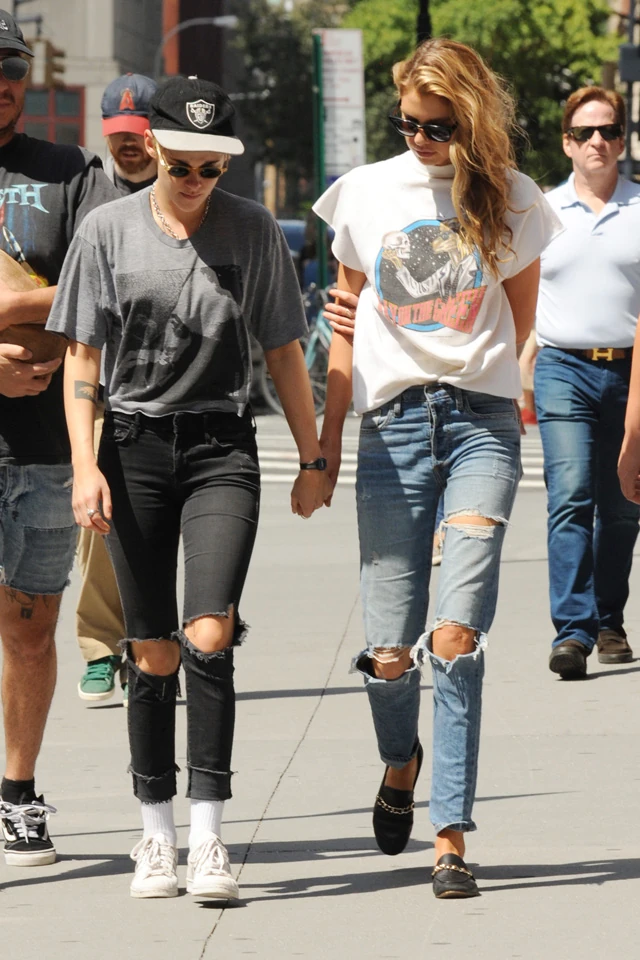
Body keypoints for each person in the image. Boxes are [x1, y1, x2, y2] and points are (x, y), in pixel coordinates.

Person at [47, 76, 328, 901]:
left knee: (208, 632)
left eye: (213, 168)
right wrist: (85, 465)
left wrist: (313, 458)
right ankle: (155, 833)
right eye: (183, 167)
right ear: (154, 150)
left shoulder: (252, 230)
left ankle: (208, 836)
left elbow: (283, 349)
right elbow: (82, 358)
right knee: (152, 649)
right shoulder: (106, 230)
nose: (198, 180)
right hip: (132, 446)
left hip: (220, 447)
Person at [314, 37, 561, 898]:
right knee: (390, 652)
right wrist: (323, 446)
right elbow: (343, 331)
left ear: (473, 120)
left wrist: (496, 384)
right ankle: (399, 761)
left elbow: (520, 325)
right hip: (391, 432)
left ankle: (450, 836)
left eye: (438, 127)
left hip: (481, 428)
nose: (420, 140)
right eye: (408, 124)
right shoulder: (364, 193)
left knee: (454, 638)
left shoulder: (514, 198)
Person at [0, 11, 120, 865]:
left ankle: (17, 791)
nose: (2, 83)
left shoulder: (71, 171)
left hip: (44, 445)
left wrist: (15, 306)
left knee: (31, 627)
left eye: (12, 68)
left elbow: (100, 281)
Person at [533, 86, 640, 680]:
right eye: (584, 132)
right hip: (562, 368)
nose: (597, 141)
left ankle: (609, 621)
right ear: (567, 143)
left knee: (623, 504)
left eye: (608, 130)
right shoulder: (542, 211)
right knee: (570, 494)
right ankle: (572, 633)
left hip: (632, 370)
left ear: (622, 141)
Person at [76, 73, 158, 705]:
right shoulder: (90, 196)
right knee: (101, 527)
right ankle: (102, 647)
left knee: (169, 530)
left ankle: (156, 644)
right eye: (118, 133)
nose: (128, 144)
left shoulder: (185, 186)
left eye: (139, 132)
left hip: (176, 389)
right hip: (104, 389)